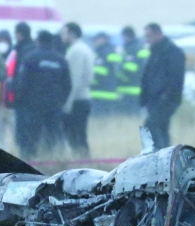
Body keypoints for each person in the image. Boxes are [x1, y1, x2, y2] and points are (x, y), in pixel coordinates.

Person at [14, 30, 72, 157]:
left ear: (38, 41)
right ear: (52, 42)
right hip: (54, 105)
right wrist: (61, 101)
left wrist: (21, 100)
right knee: (52, 136)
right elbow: (67, 85)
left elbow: (22, 82)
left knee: (32, 136)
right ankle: (50, 160)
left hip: (33, 105)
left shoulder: (30, 57)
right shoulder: (61, 60)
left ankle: (31, 160)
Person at [139, 22, 185, 150]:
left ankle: (159, 154)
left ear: (158, 34)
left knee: (151, 125)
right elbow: (148, 76)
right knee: (162, 128)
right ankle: (167, 156)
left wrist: (167, 96)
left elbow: (176, 78)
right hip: (153, 99)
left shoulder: (172, 52)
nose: (147, 39)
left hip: (167, 99)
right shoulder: (154, 51)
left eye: (149, 36)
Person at [61, 22, 95, 157]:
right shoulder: (83, 48)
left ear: (72, 34)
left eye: (64, 33)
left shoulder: (77, 51)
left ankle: (82, 163)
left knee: (76, 138)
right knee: (79, 136)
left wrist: (67, 105)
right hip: (82, 99)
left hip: (77, 100)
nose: (62, 37)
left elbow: (74, 80)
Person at [7, 22, 35, 150]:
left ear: (19, 34)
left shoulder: (21, 50)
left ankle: (25, 154)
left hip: (22, 97)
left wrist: (14, 96)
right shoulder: (33, 48)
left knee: (23, 130)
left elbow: (18, 75)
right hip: (33, 97)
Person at [117, 26, 147, 114]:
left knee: (135, 118)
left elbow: (138, 69)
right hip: (128, 90)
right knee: (132, 118)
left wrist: (120, 75)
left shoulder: (135, 49)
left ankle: (141, 129)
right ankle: (134, 128)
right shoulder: (127, 49)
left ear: (126, 36)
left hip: (134, 90)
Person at [90, 32, 120, 114]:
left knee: (99, 120)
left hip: (102, 92)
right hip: (107, 92)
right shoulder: (110, 51)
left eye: (96, 40)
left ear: (103, 40)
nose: (94, 42)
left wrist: (91, 81)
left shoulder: (105, 53)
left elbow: (101, 71)